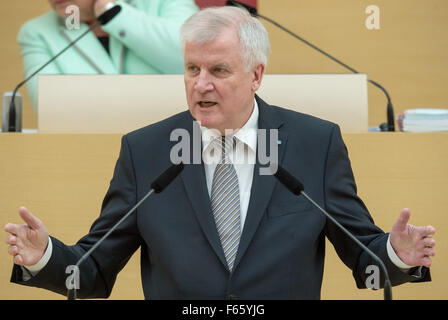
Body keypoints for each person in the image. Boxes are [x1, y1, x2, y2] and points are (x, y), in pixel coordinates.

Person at [5, 6, 436, 299]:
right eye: (192, 68)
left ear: (256, 75)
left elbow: (364, 259)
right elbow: (94, 271)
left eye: (218, 70)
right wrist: (45, 256)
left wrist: (397, 253)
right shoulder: (145, 150)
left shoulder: (314, 143)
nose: (200, 84)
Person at [18, 0, 198, 112]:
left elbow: (190, 58)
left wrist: (113, 13)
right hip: (83, 147)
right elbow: (50, 107)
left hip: (171, 141)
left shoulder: (165, 2)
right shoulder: (37, 32)